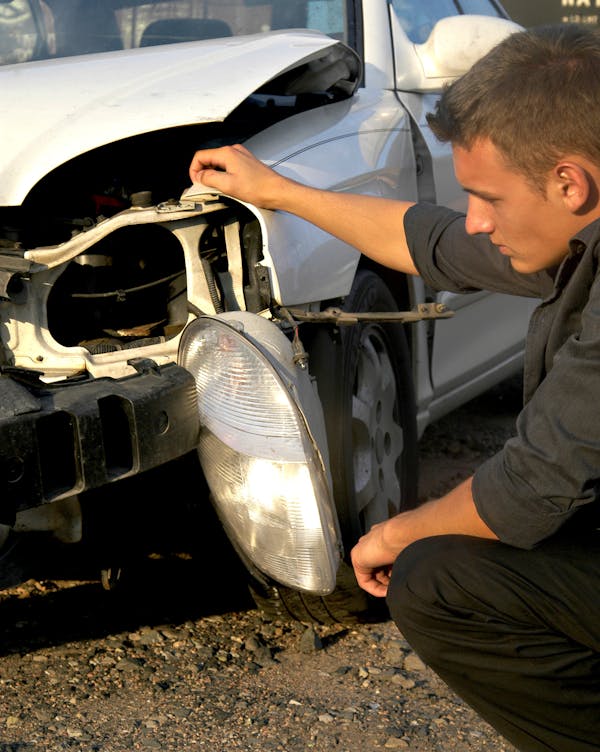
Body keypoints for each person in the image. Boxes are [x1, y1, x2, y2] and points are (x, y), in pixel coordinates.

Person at [188, 24, 600, 752]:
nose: (477, 218)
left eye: (487, 196)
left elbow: (533, 486)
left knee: (436, 576)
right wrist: (276, 191)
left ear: (570, 182)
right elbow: (434, 242)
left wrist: (396, 530)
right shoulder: (579, 230)